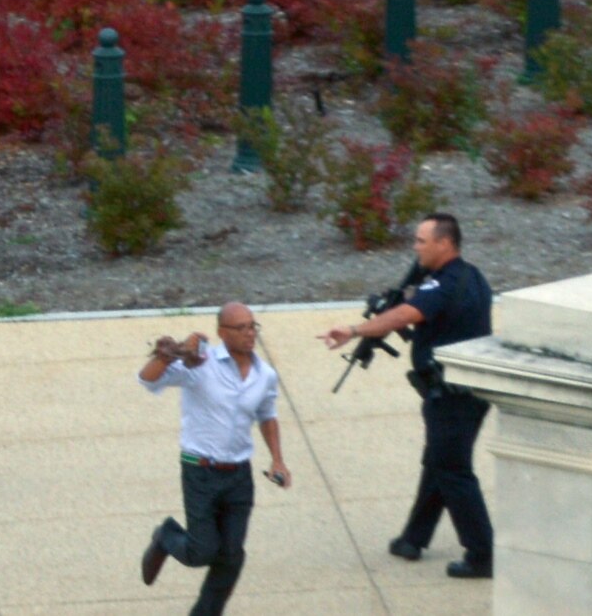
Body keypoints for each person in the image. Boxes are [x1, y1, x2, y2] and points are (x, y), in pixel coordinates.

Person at [319, 213, 494, 579]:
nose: (415, 248)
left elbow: (403, 315)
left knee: (453, 470)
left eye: (421, 241)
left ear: (444, 244)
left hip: (450, 395)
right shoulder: (472, 276)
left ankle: (482, 553)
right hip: (470, 391)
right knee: (438, 463)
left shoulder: (441, 285)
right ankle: (413, 539)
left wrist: (354, 329)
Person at [137, 302, 291, 615]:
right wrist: (171, 353)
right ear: (222, 332)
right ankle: (166, 536)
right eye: (241, 328)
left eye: (253, 326)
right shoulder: (201, 364)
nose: (250, 334)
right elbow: (148, 379)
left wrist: (278, 460)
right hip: (200, 471)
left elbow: (267, 415)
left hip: (239, 475)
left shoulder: (265, 375)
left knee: (232, 555)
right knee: (202, 551)